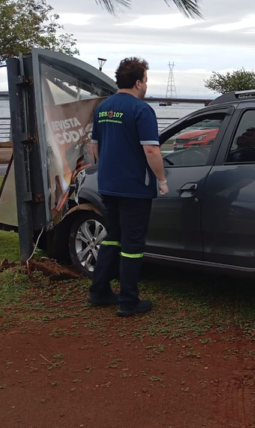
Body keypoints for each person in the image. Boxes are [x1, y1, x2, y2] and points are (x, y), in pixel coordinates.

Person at [87, 57, 168, 317]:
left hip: (108, 185)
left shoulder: (103, 108)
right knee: (132, 244)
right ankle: (128, 301)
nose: (146, 84)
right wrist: (162, 180)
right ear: (137, 83)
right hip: (134, 187)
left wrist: (107, 170)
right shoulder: (141, 110)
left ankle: (99, 291)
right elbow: (151, 150)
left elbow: (94, 147)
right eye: (146, 80)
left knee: (112, 236)